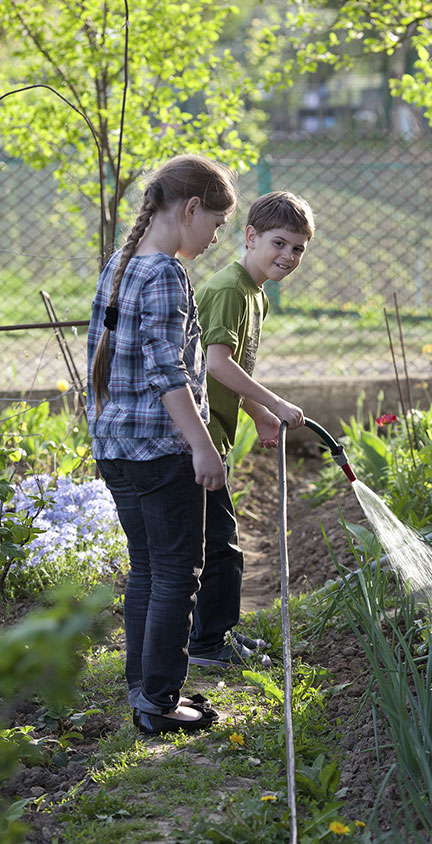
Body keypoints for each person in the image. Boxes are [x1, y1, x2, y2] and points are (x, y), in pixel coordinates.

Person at [86, 154, 237, 735]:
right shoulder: (167, 274)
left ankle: (144, 686)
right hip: (160, 447)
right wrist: (202, 446)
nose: (216, 236)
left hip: (116, 445)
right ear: (191, 208)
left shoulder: (120, 265)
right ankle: (159, 700)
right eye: (217, 224)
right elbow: (167, 372)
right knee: (178, 570)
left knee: (148, 567)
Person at [188, 190, 315, 668]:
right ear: (250, 236)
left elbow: (222, 367)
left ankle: (213, 637)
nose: (288, 256)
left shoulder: (253, 294)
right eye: (279, 243)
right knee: (220, 547)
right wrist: (274, 401)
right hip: (195, 434)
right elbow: (216, 363)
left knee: (217, 543)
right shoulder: (228, 290)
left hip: (213, 430)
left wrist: (255, 412)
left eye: (298, 248)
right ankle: (206, 645)